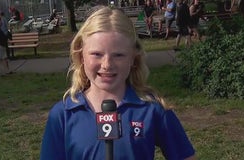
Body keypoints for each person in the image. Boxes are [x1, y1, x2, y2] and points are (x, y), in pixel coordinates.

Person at [40, 6, 196, 160]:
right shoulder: (63, 114)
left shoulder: (151, 109)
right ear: (81, 56)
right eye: (97, 54)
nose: (107, 64)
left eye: (119, 55)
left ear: (133, 58)